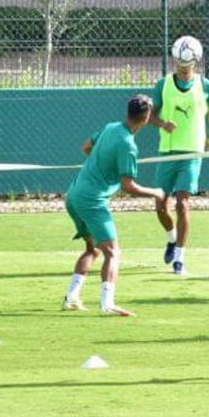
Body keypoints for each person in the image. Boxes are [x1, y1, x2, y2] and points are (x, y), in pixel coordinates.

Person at [62, 94, 166, 316]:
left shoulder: (111, 128)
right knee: (113, 252)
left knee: (94, 249)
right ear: (146, 118)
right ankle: (107, 304)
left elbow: (86, 148)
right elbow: (129, 187)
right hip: (92, 201)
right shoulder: (128, 145)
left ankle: (71, 297)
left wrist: (103, 166)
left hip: (73, 194)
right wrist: (156, 192)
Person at [149, 35, 209, 276]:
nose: (183, 68)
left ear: (195, 61)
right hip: (167, 152)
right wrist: (161, 123)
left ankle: (180, 258)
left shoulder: (206, 85)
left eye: (187, 65)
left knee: (183, 204)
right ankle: (172, 238)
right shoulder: (163, 84)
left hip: (192, 151)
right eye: (179, 64)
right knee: (160, 205)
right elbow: (150, 116)